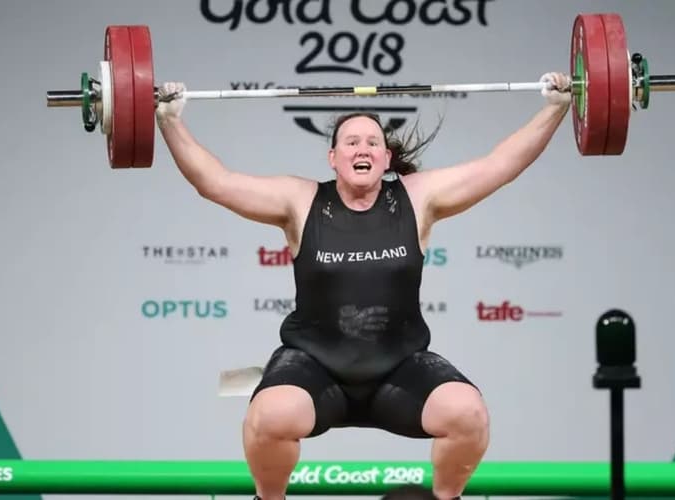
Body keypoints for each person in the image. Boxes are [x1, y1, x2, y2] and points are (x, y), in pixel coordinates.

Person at [155, 72, 572, 500]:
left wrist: (555, 108)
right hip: (314, 367)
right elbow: (216, 183)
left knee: (468, 415)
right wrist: (169, 121)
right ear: (333, 157)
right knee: (269, 417)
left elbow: (498, 166)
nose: (362, 149)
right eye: (351, 142)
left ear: (386, 159)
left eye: (373, 142)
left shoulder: (418, 198)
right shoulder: (298, 201)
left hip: (399, 368)